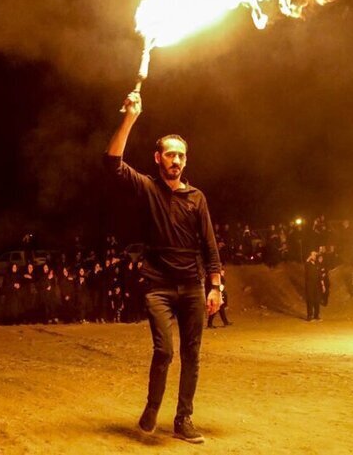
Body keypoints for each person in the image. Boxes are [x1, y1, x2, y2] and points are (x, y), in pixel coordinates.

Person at [104, 90, 222, 443]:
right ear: (158, 157)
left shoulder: (196, 198)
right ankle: (152, 407)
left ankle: (183, 419)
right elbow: (112, 164)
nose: (176, 160)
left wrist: (215, 285)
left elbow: (210, 245)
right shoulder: (147, 188)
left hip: (191, 287)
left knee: (192, 355)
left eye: (181, 156)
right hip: (158, 287)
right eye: (170, 154)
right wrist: (130, 118)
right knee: (165, 351)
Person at [304, 251, 322, 321]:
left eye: (315, 255)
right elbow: (306, 263)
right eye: (313, 255)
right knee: (310, 300)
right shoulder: (308, 264)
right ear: (310, 256)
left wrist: (322, 284)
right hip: (309, 285)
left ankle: (316, 315)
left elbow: (319, 274)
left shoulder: (317, 264)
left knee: (317, 300)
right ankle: (309, 316)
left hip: (316, 285)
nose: (314, 256)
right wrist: (310, 256)